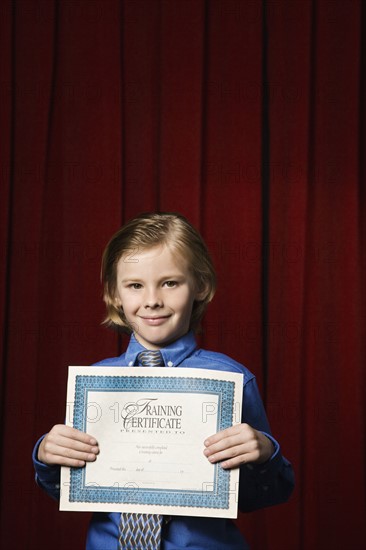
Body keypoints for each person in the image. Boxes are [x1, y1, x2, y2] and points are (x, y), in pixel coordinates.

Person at [33, 212, 294, 550]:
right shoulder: (95, 385)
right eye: (135, 285)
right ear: (115, 293)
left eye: (170, 282)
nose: (153, 299)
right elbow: (68, 487)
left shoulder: (231, 379)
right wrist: (48, 455)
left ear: (200, 285)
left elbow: (265, 495)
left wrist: (263, 452)